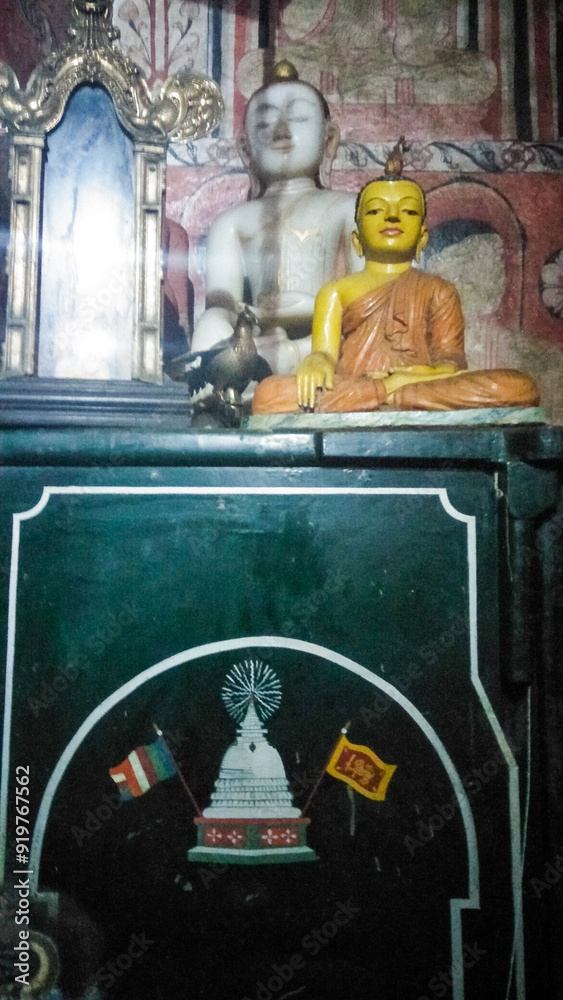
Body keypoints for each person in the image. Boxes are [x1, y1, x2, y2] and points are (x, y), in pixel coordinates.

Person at [252, 141, 540, 414]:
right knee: (268, 394)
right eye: (376, 210)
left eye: (408, 211)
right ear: (357, 240)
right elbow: (325, 355)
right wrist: (316, 361)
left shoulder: (439, 290)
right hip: (358, 385)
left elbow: (450, 360)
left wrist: (431, 373)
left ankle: (391, 395)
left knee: (520, 387)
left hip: (411, 385)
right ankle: (392, 392)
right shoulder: (337, 291)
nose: (392, 217)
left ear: (422, 239)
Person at [191, 61, 359, 375]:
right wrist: (254, 316)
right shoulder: (232, 222)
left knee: (368, 331)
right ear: (245, 148)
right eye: (266, 123)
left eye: (299, 119)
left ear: (329, 139)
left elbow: (371, 297)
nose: (281, 132)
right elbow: (222, 304)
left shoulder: (350, 208)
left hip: (325, 342)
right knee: (211, 325)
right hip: (256, 343)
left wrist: (309, 308)